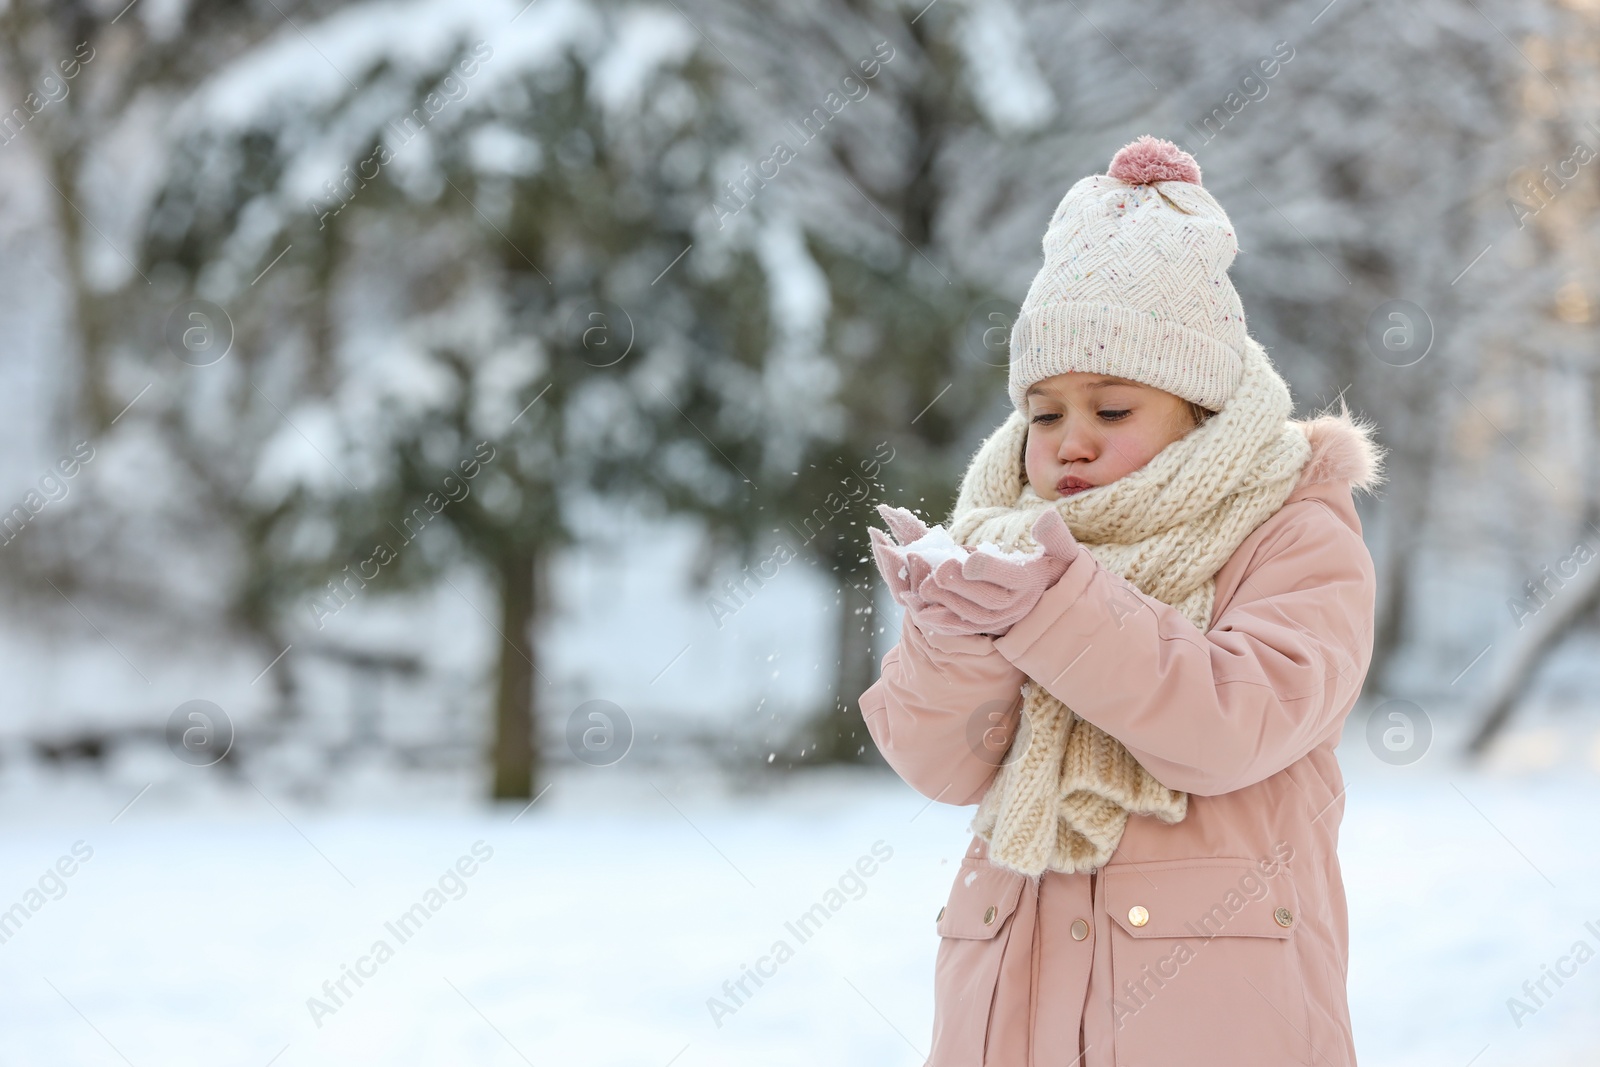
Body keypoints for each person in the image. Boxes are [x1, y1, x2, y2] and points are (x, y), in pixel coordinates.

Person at [861, 134, 1384, 1067]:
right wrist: (957, 631)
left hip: (1211, 1026)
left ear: (1200, 411)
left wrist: (1054, 609)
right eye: (1045, 412)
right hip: (1014, 1018)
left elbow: (1231, 723)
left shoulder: (1292, 528)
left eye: (1111, 411)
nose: (1069, 443)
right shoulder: (1006, 544)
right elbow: (943, 766)